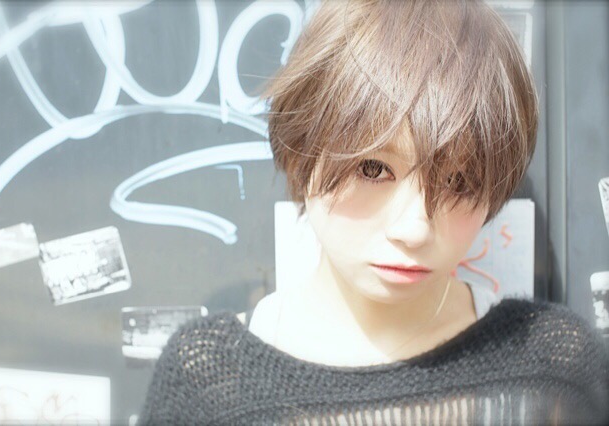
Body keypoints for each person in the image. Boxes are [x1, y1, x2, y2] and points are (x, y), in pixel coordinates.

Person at [138, 0, 609, 424]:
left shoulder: (554, 366)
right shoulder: (209, 381)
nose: (414, 229)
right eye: (372, 167)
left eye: (458, 181)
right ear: (302, 151)